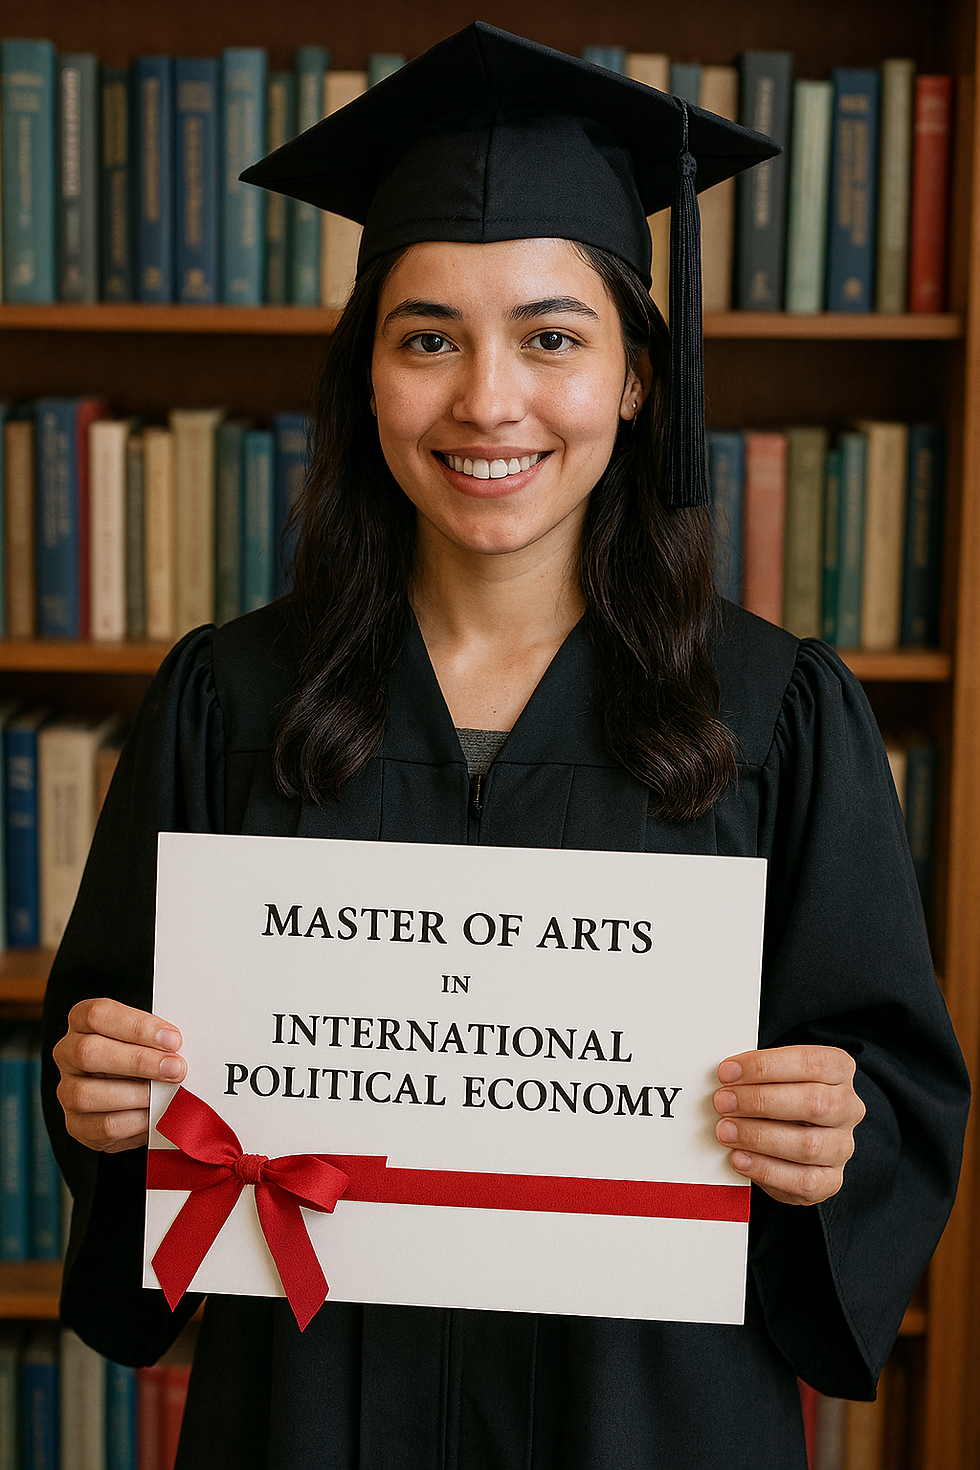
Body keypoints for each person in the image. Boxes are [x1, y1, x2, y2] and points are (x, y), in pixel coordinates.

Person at [42, 23, 968, 1470]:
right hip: (304, 1421)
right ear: (368, 376)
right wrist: (100, 1102)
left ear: (638, 379)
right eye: (429, 339)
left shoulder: (775, 712)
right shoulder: (230, 699)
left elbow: (893, 1096)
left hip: (653, 1425)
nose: (488, 399)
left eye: (552, 335)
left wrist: (830, 1139)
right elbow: (121, 1080)